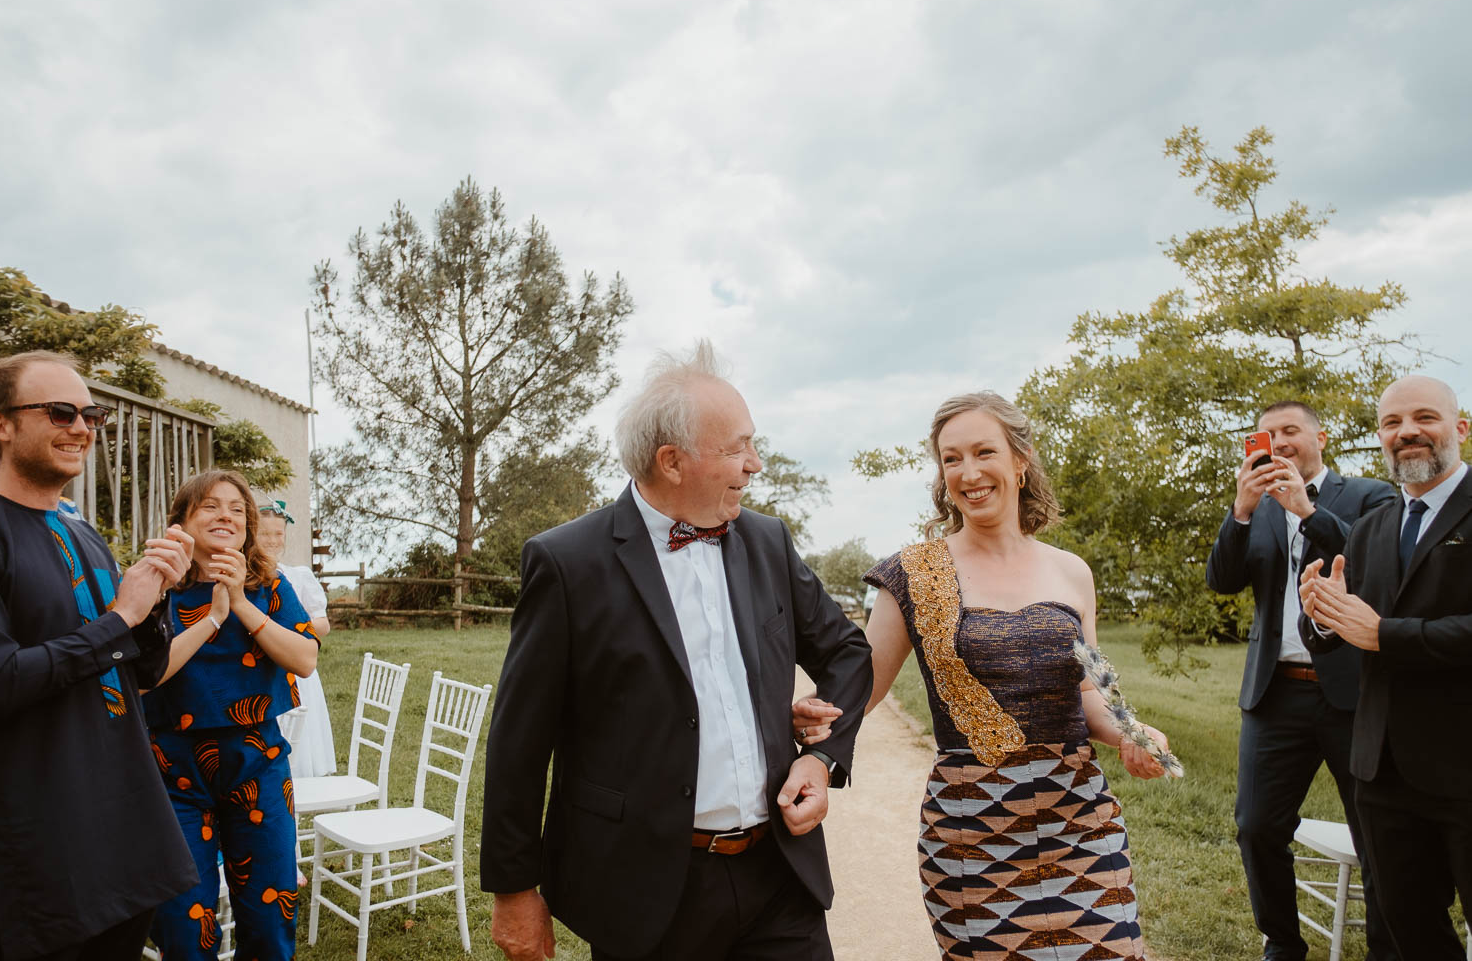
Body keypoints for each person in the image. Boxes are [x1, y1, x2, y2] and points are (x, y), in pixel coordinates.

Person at [480, 340, 874, 961]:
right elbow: (518, 743)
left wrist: (820, 761)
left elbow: (849, 652)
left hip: (779, 880)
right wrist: (513, 891)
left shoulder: (768, 542)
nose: (756, 464)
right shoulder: (567, 562)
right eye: (738, 447)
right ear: (671, 460)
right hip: (645, 895)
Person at [796, 391, 1169, 961]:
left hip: (1080, 819)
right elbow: (863, 685)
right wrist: (814, 713)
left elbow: (1093, 693)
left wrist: (1132, 734)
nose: (968, 473)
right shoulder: (914, 574)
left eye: (983, 452)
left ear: (1019, 460)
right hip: (973, 827)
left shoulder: (1072, 572)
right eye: (951, 459)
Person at [0, 350, 197, 961]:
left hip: (126, 834)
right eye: (60, 411)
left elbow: (141, 671)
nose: (81, 427)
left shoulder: (84, 534)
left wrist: (154, 604)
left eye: (90, 414)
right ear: (1, 424)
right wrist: (122, 616)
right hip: (44, 845)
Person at [1204, 401, 1397, 961]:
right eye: (1267, 435)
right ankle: (1283, 945)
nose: (1279, 442)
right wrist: (1241, 512)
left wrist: (1307, 510)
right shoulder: (1257, 509)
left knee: (1376, 830)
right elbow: (1222, 580)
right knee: (1257, 827)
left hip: (1355, 693)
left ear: (1321, 436)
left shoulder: (1369, 495)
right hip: (1275, 691)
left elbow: (1376, 566)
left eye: (1291, 431)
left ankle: (1388, 948)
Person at [1299, 374, 1472, 960]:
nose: (1408, 433)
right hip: (1384, 773)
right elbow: (1345, 634)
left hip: (1467, 767)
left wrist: (1384, 634)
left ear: (1460, 429)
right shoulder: (1371, 526)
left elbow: (1380, 634)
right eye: (1393, 423)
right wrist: (1323, 617)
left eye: (1425, 417)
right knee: (1410, 934)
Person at [142, 470, 320, 961]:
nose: (225, 516)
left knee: (269, 916)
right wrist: (213, 618)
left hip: (257, 765)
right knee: (181, 924)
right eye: (210, 506)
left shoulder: (269, 583)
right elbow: (143, 676)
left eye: (237, 509)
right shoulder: (156, 586)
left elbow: (304, 658)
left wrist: (239, 603)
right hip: (172, 775)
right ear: (182, 519)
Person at [255, 497, 336, 779]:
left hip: (296, 670)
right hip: (258, 672)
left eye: (279, 534)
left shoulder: (298, 577)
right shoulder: (246, 577)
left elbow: (322, 624)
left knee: (299, 744)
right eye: (265, 533)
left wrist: (287, 630)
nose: (273, 540)